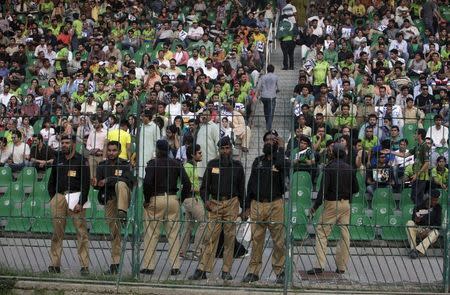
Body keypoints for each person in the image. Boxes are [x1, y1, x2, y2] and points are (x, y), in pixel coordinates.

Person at [190, 136, 246, 281]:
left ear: (231, 149)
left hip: (231, 203)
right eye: (222, 148)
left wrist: (245, 209)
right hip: (214, 204)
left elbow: (241, 190)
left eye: (227, 148)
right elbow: (204, 188)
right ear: (219, 149)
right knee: (209, 237)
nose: (225, 151)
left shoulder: (237, 166)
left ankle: (226, 270)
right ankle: (202, 269)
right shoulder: (212, 164)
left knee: (229, 239)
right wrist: (206, 201)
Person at [242, 130, 288, 284]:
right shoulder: (258, 161)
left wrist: (281, 148)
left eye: (272, 140)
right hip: (257, 204)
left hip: (275, 204)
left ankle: (280, 271)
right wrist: (247, 206)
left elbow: (283, 165)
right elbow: (251, 184)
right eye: (267, 139)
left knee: (279, 241)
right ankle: (253, 272)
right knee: (256, 241)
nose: (269, 142)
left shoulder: (280, 159)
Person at [140, 139, 191, 275]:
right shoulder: (176, 163)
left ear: (157, 150)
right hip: (173, 197)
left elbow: (147, 183)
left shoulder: (153, 163)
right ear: (168, 150)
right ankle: (175, 267)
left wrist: (146, 199)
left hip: (156, 198)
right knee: (173, 234)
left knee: (151, 234)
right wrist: (180, 199)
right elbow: (187, 183)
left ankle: (149, 266)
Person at [307, 143, 358, 275]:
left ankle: (319, 265)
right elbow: (356, 189)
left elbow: (323, 191)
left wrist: (315, 206)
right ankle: (341, 267)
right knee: (345, 235)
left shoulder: (329, 168)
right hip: (346, 204)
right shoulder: (350, 168)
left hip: (331, 204)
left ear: (333, 154)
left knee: (322, 232)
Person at [47, 134, 90, 275]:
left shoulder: (81, 160)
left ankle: (84, 266)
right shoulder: (58, 159)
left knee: (81, 233)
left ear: (74, 144)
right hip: (59, 197)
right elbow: (52, 180)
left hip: (76, 197)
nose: (64, 145)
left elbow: (86, 183)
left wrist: (81, 202)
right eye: (62, 142)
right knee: (57, 233)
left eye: (67, 142)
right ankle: (55, 264)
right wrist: (53, 198)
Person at [93, 141, 134, 275]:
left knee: (120, 184)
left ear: (119, 151)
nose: (111, 153)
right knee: (115, 233)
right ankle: (115, 264)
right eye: (109, 150)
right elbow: (98, 183)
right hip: (109, 199)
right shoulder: (102, 165)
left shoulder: (125, 164)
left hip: (122, 197)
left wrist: (109, 180)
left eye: (114, 150)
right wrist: (96, 183)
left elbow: (129, 181)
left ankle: (122, 212)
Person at [180, 144, 207, 260]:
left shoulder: (191, 166)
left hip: (189, 199)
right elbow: (185, 185)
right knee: (203, 222)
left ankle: (182, 252)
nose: (201, 154)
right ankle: (197, 251)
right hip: (191, 198)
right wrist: (199, 189)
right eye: (199, 153)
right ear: (192, 155)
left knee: (188, 226)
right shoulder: (188, 167)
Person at [406, 190, 442, 259]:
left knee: (436, 232)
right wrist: (417, 220)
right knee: (409, 223)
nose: (435, 202)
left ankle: (417, 250)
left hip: (430, 231)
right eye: (433, 200)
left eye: (436, 200)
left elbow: (438, 223)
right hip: (419, 229)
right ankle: (413, 248)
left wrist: (428, 229)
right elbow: (413, 219)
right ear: (429, 198)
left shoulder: (438, 207)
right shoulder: (419, 206)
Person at [137, 110, 159, 182]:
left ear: (147, 117)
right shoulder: (140, 126)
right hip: (140, 156)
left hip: (150, 156)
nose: (141, 118)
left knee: (148, 177)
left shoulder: (154, 127)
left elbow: (157, 142)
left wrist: (154, 155)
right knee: (139, 177)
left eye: (143, 116)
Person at [410, 129, 430, 206]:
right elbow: (405, 155)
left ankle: (420, 213)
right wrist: (391, 151)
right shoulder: (417, 146)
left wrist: (417, 174)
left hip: (422, 177)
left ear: (420, 135)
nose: (414, 135)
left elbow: (427, 163)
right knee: (415, 197)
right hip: (416, 176)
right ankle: (420, 213)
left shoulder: (425, 146)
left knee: (416, 197)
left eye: (415, 133)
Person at [256, 64, 279, 131]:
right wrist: (275, 91)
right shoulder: (275, 77)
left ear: (267, 69)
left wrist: (257, 95)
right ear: (273, 70)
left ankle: (267, 124)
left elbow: (258, 87)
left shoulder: (263, 77)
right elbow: (278, 88)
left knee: (266, 110)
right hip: (272, 96)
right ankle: (268, 128)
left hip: (263, 96)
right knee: (271, 112)